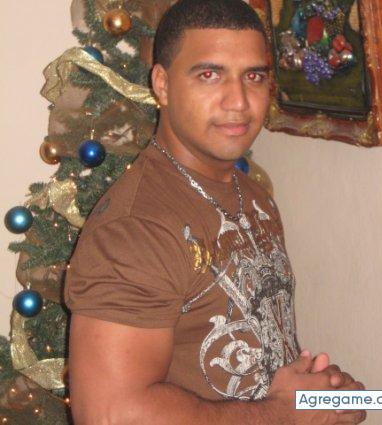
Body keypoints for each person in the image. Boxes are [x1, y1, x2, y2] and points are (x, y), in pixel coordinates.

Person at [64, 0, 366, 424]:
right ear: (162, 84)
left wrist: (331, 400)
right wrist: (284, 414)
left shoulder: (253, 195)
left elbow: (261, 362)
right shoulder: (135, 229)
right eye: (209, 74)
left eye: (254, 76)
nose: (239, 102)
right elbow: (111, 415)